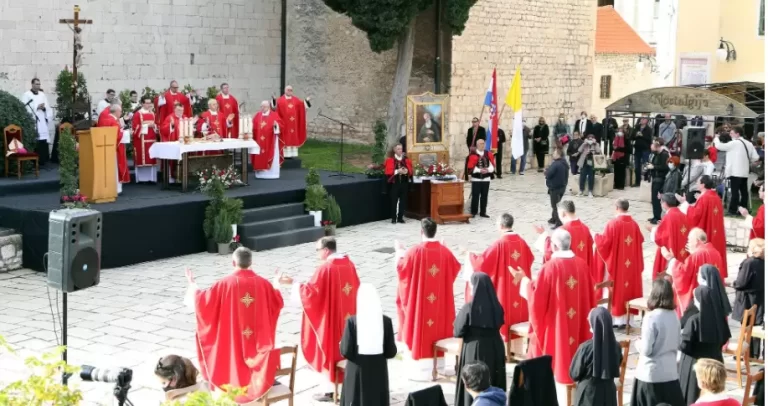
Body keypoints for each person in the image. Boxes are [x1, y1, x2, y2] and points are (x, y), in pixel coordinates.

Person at [184, 247, 285, 403]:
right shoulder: (264, 284)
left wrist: (192, 284)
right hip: (258, 347)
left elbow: (202, 302)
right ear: (251, 262)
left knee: (227, 353)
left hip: (233, 344)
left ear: (233, 262)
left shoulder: (224, 284)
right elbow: (277, 301)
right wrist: (276, 283)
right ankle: (257, 388)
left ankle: (232, 390)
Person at [509, 228, 596, 385]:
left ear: (554, 247)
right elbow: (590, 296)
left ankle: (557, 378)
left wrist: (523, 280)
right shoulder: (582, 265)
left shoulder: (549, 268)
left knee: (548, 348)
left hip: (557, 327)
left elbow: (536, 298)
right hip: (578, 325)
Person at [279, 237, 360, 402]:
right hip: (348, 318)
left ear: (326, 250)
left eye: (318, 250)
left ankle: (330, 391)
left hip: (332, 321)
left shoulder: (326, 268)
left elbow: (311, 294)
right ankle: (346, 385)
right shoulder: (349, 264)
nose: (317, 254)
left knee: (330, 348)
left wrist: (293, 283)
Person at [395, 217, 461, 381]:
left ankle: (420, 369)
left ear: (421, 232)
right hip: (439, 305)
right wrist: (447, 250)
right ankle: (439, 365)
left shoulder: (414, 251)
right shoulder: (444, 252)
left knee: (420, 325)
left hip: (421, 307)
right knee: (439, 326)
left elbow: (401, 269)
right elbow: (454, 269)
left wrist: (399, 252)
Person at [466, 213, 533, 348]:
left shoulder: (500, 243)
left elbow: (483, 263)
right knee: (518, 313)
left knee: (505, 312)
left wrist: (471, 256)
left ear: (501, 225)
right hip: (520, 289)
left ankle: (505, 349)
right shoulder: (522, 242)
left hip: (505, 290)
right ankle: (517, 348)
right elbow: (530, 258)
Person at [339, 283, 398, 406]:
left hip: (357, 371)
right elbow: (391, 352)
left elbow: (346, 351)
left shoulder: (352, 322)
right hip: (378, 371)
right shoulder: (386, 321)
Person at [629, 278, 685, 406]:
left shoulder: (651, 317)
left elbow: (647, 350)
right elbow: (678, 343)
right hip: (670, 373)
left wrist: (638, 343)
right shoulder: (674, 316)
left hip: (651, 374)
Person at [454, 273, 507, 406]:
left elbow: (458, 330)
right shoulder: (497, 307)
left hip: (473, 348)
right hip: (495, 347)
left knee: (473, 380)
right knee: (493, 379)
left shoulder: (469, 308)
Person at [594, 199, 645, 327]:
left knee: (614, 287)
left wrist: (595, 237)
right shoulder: (634, 224)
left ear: (616, 208)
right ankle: (626, 320)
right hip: (631, 266)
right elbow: (640, 240)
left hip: (617, 267)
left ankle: (615, 320)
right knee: (628, 288)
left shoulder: (613, 224)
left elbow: (604, 243)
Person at [679, 286, 732, 405]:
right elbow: (724, 338)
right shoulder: (720, 319)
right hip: (715, 361)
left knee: (691, 395)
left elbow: (684, 345)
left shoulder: (693, 320)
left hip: (695, 364)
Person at [663, 228, 724, 315]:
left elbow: (683, 272)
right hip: (713, 296)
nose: (687, 243)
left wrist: (671, 259)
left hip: (698, 301)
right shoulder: (715, 252)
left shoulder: (697, 255)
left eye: (689, 240)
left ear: (697, 241)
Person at [569, 307, 621, 406]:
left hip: (589, 395)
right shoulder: (616, 346)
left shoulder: (585, 348)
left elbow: (574, 373)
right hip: (609, 394)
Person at [678, 175, 728, 275]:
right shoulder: (716, 197)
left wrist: (685, 203)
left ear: (703, 184)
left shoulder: (705, 198)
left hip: (706, 232)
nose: (696, 184)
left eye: (698, 182)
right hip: (715, 233)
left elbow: (695, 215)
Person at [535, 200, 594, 270]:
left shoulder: (562, 230)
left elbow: (551, 251)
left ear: (563, 213)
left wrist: (543, 234)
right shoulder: (586, 228)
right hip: (582, 272)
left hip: (566, 273)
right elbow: (590, 254)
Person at [715, 125, 760, 215]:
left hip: (735, 171)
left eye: (732, 133)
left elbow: (719, 146)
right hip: (744, 171)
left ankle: (732, 210)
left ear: (737, 134)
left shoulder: (735, 143)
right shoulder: (749, 143)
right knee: (744, 192)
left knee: (734, 192)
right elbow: (756, 157)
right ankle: (743, 210)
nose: (730, 134)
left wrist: (716, 138)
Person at [732, 238, 765, 359]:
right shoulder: (763, 262)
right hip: (760, 298)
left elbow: (741, 282)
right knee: (755, 326)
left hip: (747, 299)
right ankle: (754, 353)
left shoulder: (749, 263)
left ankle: (745, 352)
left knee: (746, 327)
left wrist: (733, 284)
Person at [649, 193, 690, 279]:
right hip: (682, 249)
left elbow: (660, 237)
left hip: (670, 250)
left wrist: (653, 230)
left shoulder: (669, 216)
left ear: (665, 203)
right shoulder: (682, 214)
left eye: (661, 201)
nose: (660, 203)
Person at [97, 104, 129, 195]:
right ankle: (116, 189)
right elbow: (117, 136)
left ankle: (108, 187)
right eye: (120, 111)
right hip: (115, 148)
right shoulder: (113, 121)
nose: (121, 113)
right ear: (117, 112)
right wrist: (127, 132)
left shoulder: (106, 119)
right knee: (115, 168)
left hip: (106, 147)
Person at [272, 85, 311, 158]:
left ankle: (292, 154)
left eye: (291, 90)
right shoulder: (280, 100)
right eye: (288, 90)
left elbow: (302, 105)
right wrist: (274, 100)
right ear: (285, 90)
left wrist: (307, 100)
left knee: (293, 138)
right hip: (285, 124)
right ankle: (285, 155)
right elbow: (274, 107)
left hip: (294, 125)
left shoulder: (296, 100)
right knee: (286, 138)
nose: (290, 91)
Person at [21, 78, 53, 165]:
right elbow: (24, 108)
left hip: (41, 119)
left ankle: (42, 160)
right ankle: (33, 162)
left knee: (42, 140)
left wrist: (44, 108)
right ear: (32, 84)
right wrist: (36, 107)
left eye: (39, 84)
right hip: (32, 121)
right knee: (35, 140)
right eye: (36, 84)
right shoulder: (26, 95)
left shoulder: (42, 95)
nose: (38, 86)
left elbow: (48, 107)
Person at [251, 101, 284, 180]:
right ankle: (260, 174)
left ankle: (272, 174)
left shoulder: (274, 115)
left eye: (264, 107)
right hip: (259, 141)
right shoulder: (258, 115)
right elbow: (253, 126)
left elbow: (281, 125)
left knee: (271, 154)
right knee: (259, 154)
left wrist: (277, 126)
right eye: (261, 106)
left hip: (271, 141)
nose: (262, 108)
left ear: (268, 107)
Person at [130, 97, 159, 183]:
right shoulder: (137, 114)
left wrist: (154, 126)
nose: (148, 105)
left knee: (151, 157)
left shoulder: (153, 114)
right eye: (146, 103)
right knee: (142, 158)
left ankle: (152, 178)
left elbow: (157, 125)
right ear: (142, 104)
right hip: (141, 140)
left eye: (150, 103)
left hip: (152, 139)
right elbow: (135, 127)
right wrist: (146, 126)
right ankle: (141, 179)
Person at [384, 143, 413, 224]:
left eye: (401, 149)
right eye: (398, 149)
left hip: (404, 183)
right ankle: (393, 218)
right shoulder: (390, 160)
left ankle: (400, 218)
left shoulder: (406, 160)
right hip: (395, 184)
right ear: (394, 150)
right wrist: (397, 171)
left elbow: (410, 171)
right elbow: (388, 171)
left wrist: (406, 171)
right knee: (394, 201)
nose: (400, 150)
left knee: (403, 201)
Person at [467, 138, 494, 218]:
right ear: (477, 145)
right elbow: (470, 167)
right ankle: (473, 212)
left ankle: (483, 212)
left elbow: (492, 165)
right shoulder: (473, 155)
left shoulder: (488, 154)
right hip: (476, 179)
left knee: (484, 195)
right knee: (475, 195)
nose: (482, 145)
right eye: (481, 144)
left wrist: (488, 170)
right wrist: (479, 170)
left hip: (486, 178)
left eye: (483, 143)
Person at [545, 148, 570, 227]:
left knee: (555, 205)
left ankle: (559, 222)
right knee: (557, 203)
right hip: (562, 187)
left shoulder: (556, 164)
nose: (553, 154)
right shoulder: (564, 163)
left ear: (558, 155)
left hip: (555, 188)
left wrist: (545, 171)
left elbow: (548, 174)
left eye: (554, 153)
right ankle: (554, 218)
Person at [649, 138, 671, 224]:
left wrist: (654, 167)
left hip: (660, 179)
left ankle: (658, 217)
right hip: (655, 178)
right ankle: (655, 216)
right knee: (653, 199)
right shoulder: (656, 154)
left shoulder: (664, 154)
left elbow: (665, 167)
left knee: (657, 198)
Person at [577, 133, 601, 197]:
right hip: (584, 162)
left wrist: (595, 144)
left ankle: (590, 191)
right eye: (589, 139)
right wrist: (584, 143)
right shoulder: (584, 144)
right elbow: (579, 150)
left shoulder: (596, 144)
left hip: (592, 162)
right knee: (582, 176)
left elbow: (598, 151)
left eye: (591, 138)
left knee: (591, 177)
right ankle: (581, 190)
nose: (590, 140)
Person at [632, 117, 654, 187]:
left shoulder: (649, 129)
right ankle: (637, 182)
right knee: (637, 166)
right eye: (641, 119)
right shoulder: (637, 127)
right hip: (637, 149)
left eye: (643, 119)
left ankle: (646, 181)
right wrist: (636, 135)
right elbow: (632, 137)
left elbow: (649, 139)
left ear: (646, 121)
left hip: (645, 149)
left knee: (646, 165)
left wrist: (642, 136)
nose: (641, 120)